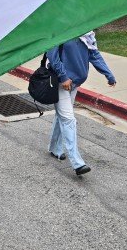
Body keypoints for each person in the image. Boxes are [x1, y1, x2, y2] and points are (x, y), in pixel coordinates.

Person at [46, 34, 113, 175]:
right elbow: (52, 54)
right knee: (68, 119)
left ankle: (54, 148)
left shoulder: (87, 33)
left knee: (62, 116)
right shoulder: (60, 29)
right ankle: (77, 163)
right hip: (61, 82)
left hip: (74, 83)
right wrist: (63, 76)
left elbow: (94, 54)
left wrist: (108, 74)